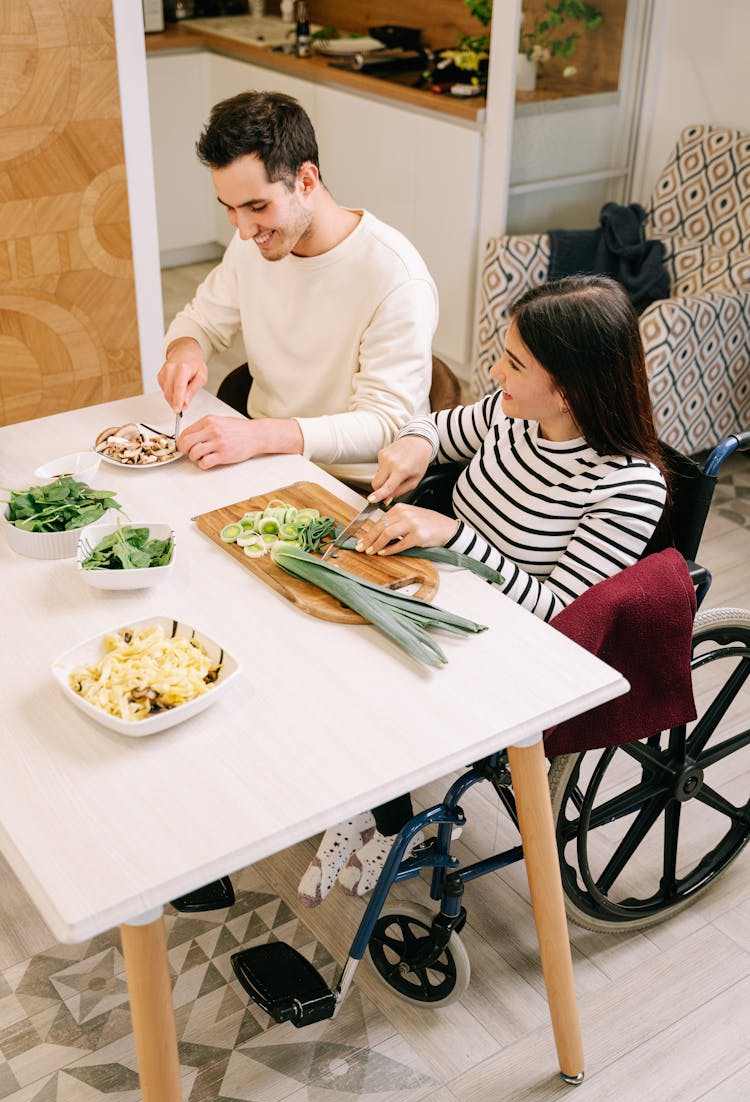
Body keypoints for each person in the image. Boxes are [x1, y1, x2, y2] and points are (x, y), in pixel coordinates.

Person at [298, 274, 670, 905]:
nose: (494, 372)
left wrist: (454, 537)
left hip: (511, 642)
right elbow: (439, 427)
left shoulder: (628, 486)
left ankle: (390, 821)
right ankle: (373, 806)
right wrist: (415, 444)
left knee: (364, 677)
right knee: (322, 641)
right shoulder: (511, 414)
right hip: (440, 589)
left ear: (569, 390)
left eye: (514, 363)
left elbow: (560, 615)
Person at [157, 90, 438, 487]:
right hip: (265, 465)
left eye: (257, 207)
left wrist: (260, 435)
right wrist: (185, 353)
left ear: (306, 181)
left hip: (353, 487)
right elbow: (201, 321)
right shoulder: (250, 245)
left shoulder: (395, 277)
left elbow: (385, 425)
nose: (242, 229)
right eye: (230, 208)